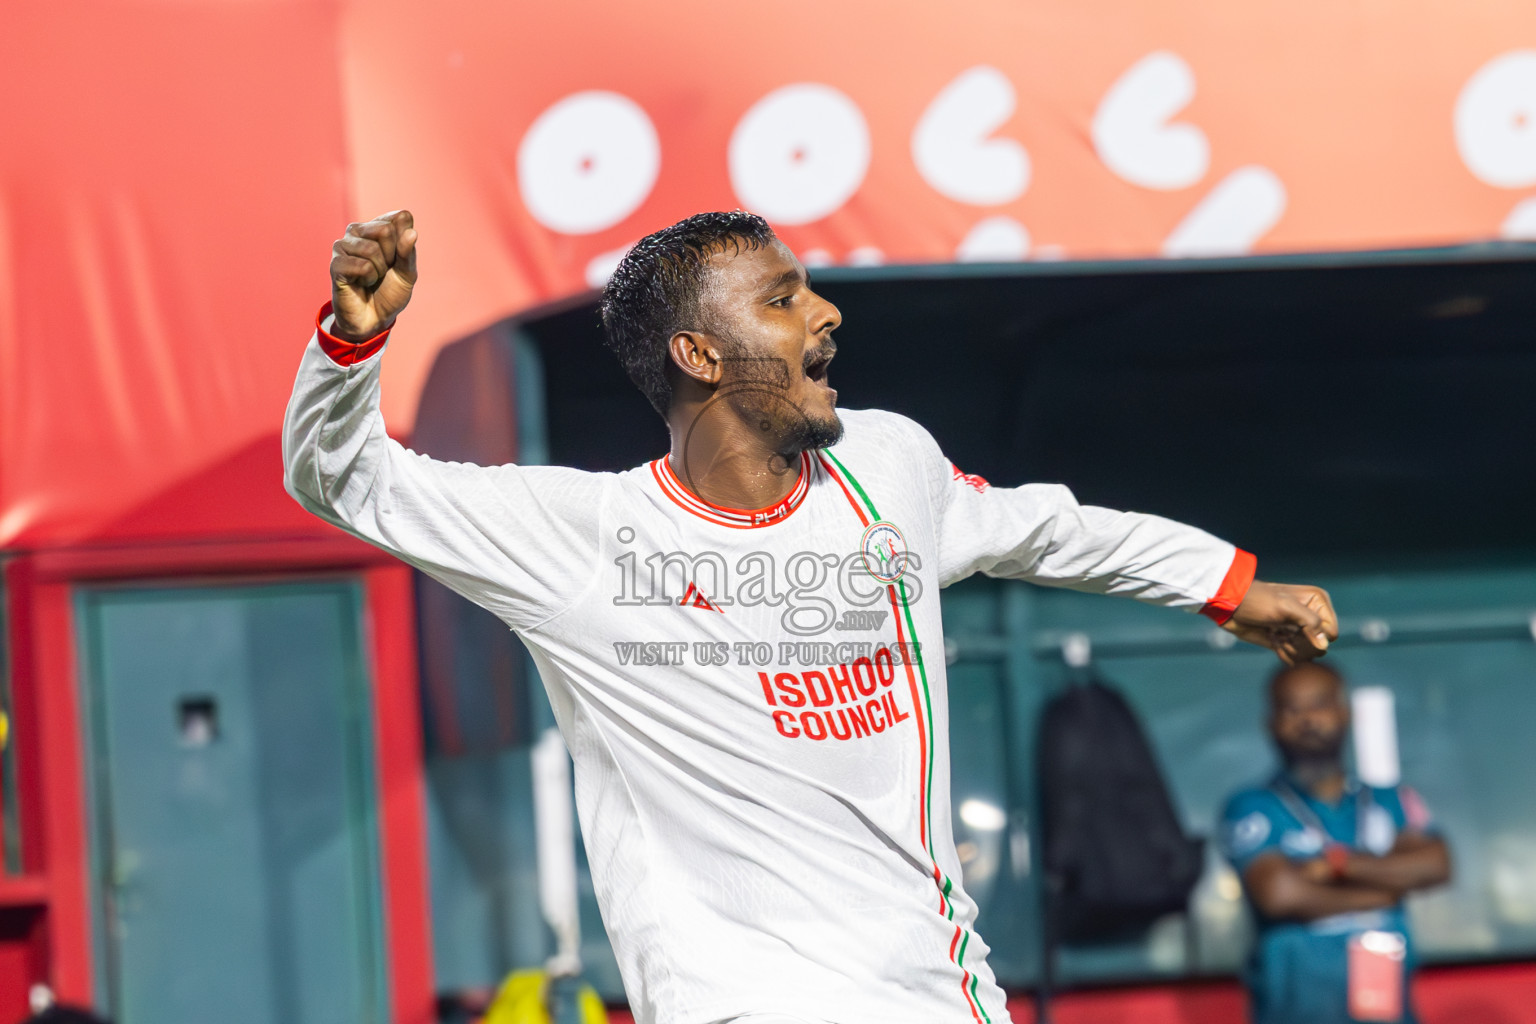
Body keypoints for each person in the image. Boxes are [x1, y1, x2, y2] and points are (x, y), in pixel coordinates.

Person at [285, 208, 1340, 1024]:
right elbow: (349, 481)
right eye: (782, 299)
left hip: (938, 994)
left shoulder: (884, 463)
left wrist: (1227, 582)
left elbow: (1035, 528)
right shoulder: (585, 539)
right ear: (699, 355)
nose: (825, 313)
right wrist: (348, 345)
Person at [1220, 663, 1451, 1024]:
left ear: (1345, 713)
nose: (1308, 719)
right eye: (1292, 709)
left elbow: (1435, 864)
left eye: (1319, 705)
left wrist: (1338, 866)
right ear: (1270, 723)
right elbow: (1279, 894)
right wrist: (1385, 890)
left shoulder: (1390, 798)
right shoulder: (1253, 805)